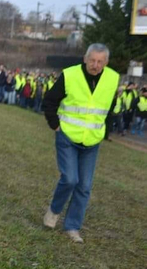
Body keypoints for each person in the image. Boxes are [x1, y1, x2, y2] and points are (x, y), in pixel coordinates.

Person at [42, 43, 119, 243]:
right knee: (70, 179)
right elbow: (49, 101)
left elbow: (110, 107)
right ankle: (54, 210)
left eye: (100, 61)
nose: (95, 65)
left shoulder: (112, 78)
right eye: (92, 60)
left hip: (92, 141)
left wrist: (105, 131)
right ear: (85, 59)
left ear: (106, 62)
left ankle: (72, 227)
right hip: (67, 135)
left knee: (84, 186)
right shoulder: (70, 75)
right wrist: (55, 125)